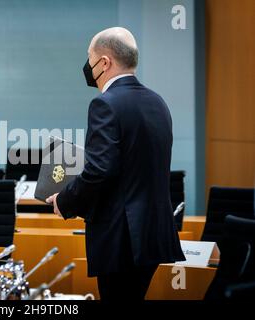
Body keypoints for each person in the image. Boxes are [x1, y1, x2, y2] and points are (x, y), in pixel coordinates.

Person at [46, 27, 185, 301]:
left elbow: (100, 170)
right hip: (153, 234)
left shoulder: (105, 104)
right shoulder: (158, 103)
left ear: (105, 62)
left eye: (90, 58)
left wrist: (65, 200)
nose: (87, 66)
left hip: (122, 238)